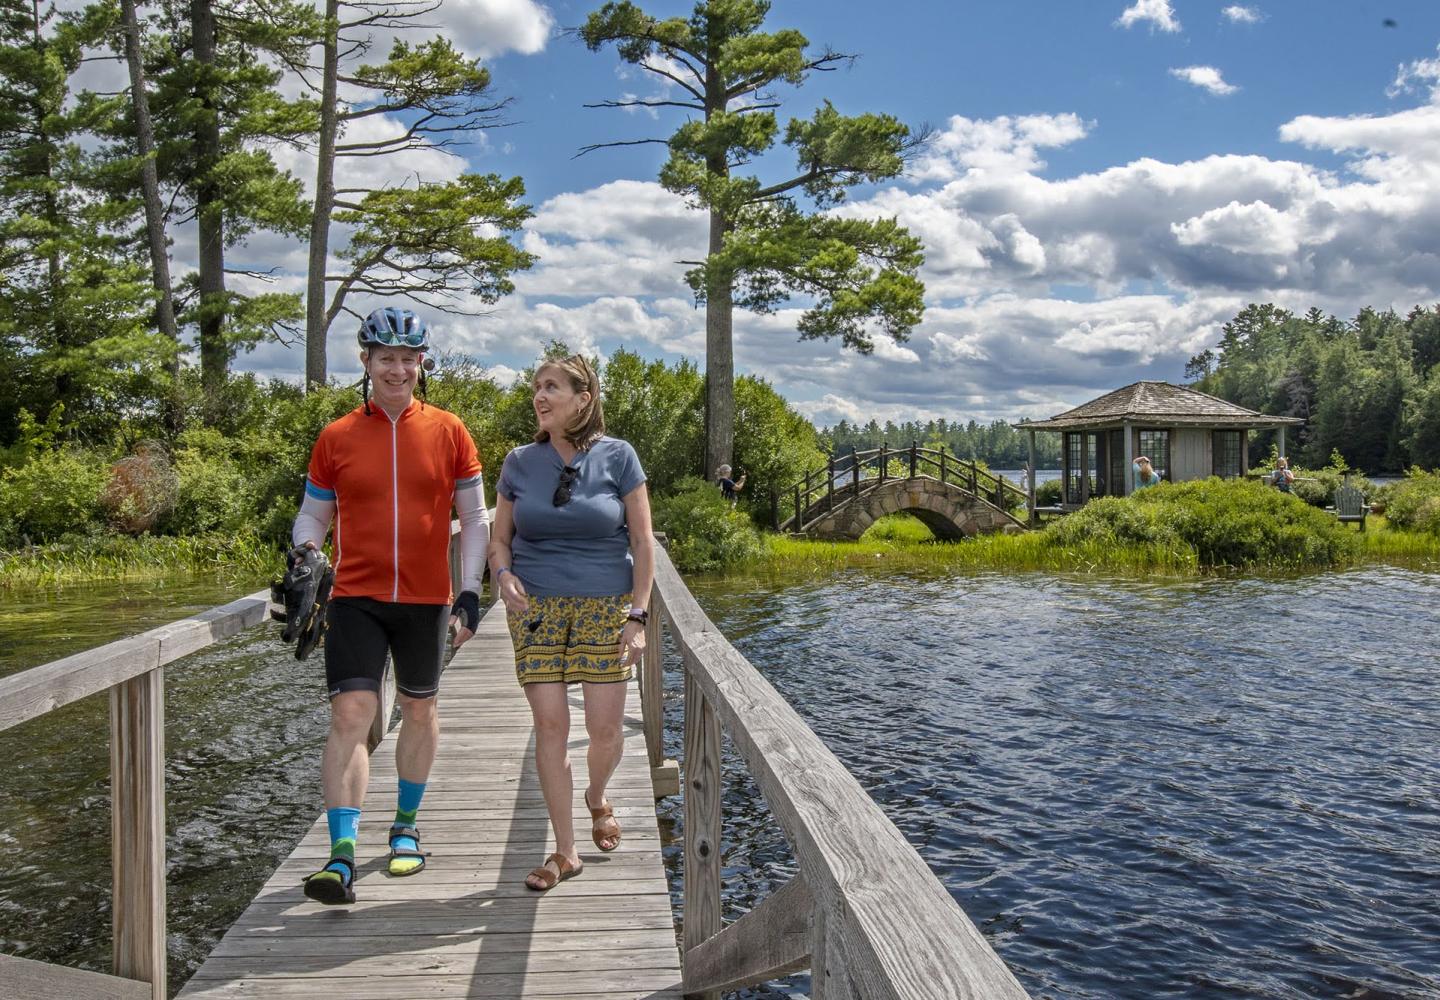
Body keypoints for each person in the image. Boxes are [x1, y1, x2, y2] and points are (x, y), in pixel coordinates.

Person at [292, 306, 489, 905]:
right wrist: (304, 554)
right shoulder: (337, 436)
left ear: (421, 363)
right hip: (355, 596)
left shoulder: (450, 431)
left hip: (427, 600)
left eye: (408, 359)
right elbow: (313, 514)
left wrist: (470, 593)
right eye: (386, 359)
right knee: (349, 715)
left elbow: (474, 519)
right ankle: (341, 856)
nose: (397, 369)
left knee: (418, 711)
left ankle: (404, 825)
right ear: (367, 362)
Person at [487, 354, 655, 892]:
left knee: (604, 730)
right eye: (536, 386)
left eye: (551, 387)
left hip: (606, 604)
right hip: (536, 609)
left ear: (582, 399)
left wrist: (639, 615)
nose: (539, 396)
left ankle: (597, 796)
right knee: (551, 725)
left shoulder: (619, 456)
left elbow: (641, 541)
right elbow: (498, 538)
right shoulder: (517, 462)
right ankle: (565, 850)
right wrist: (502, 573)